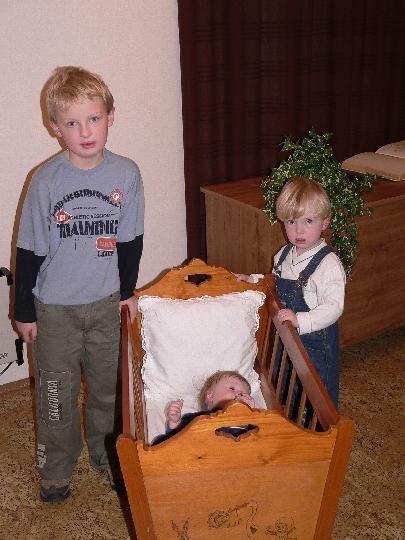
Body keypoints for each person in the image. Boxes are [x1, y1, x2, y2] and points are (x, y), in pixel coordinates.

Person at [13, 66, 144, 503]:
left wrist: (127, 293)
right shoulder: (45, 181)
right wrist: (23, 311)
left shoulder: (127, 175)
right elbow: (29, 249)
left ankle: (107, 456)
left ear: (111, 117)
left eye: (93, 119)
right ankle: (56, 466)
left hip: (106, 305)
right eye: (72, 123)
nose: (85, 132)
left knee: (108, 389)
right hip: (55, 311)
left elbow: (130, 241)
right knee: (56, 393)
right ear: (55, 127)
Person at [236, 177, 345, 407]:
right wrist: (253, 280)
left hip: (314, 346)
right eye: (291, 221)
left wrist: (301, 320)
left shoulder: (328, 265)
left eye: (308, 221)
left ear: (325, 223)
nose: (298, 230)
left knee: (315, 395)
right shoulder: (284, 254)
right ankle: (288, 417)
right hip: (287, 342)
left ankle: (317, 425)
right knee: (286, 385)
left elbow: (334, 307)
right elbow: (274, 281)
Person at [153, 370, 255, 444]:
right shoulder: (197, 418)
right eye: (232, 388)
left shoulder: (247, 423)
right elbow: (177, 437)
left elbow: (255, 439)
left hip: (231, 457)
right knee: (160, 443)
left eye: (244, 394)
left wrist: (249, 414)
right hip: (199, 455)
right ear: (210, 396)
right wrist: (175, 422)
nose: (239, 394)